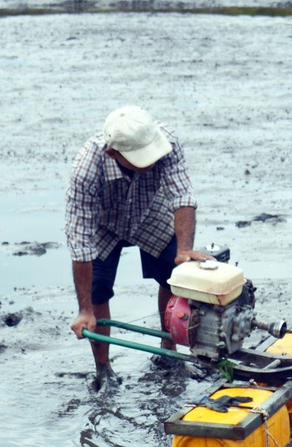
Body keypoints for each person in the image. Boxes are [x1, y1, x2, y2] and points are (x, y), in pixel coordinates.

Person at [65, 105, 210, 382]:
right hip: (102, 221)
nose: (152, 161)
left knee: (173, 275)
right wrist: (84, 309)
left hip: (149, 211)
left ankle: (168, 350)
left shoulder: (168, 143)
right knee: (97, 291)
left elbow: (182, 195)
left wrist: (184, 251)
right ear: (113, 154)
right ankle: (103, 368)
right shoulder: (87, 167)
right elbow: (80, 239)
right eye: (142, 158)